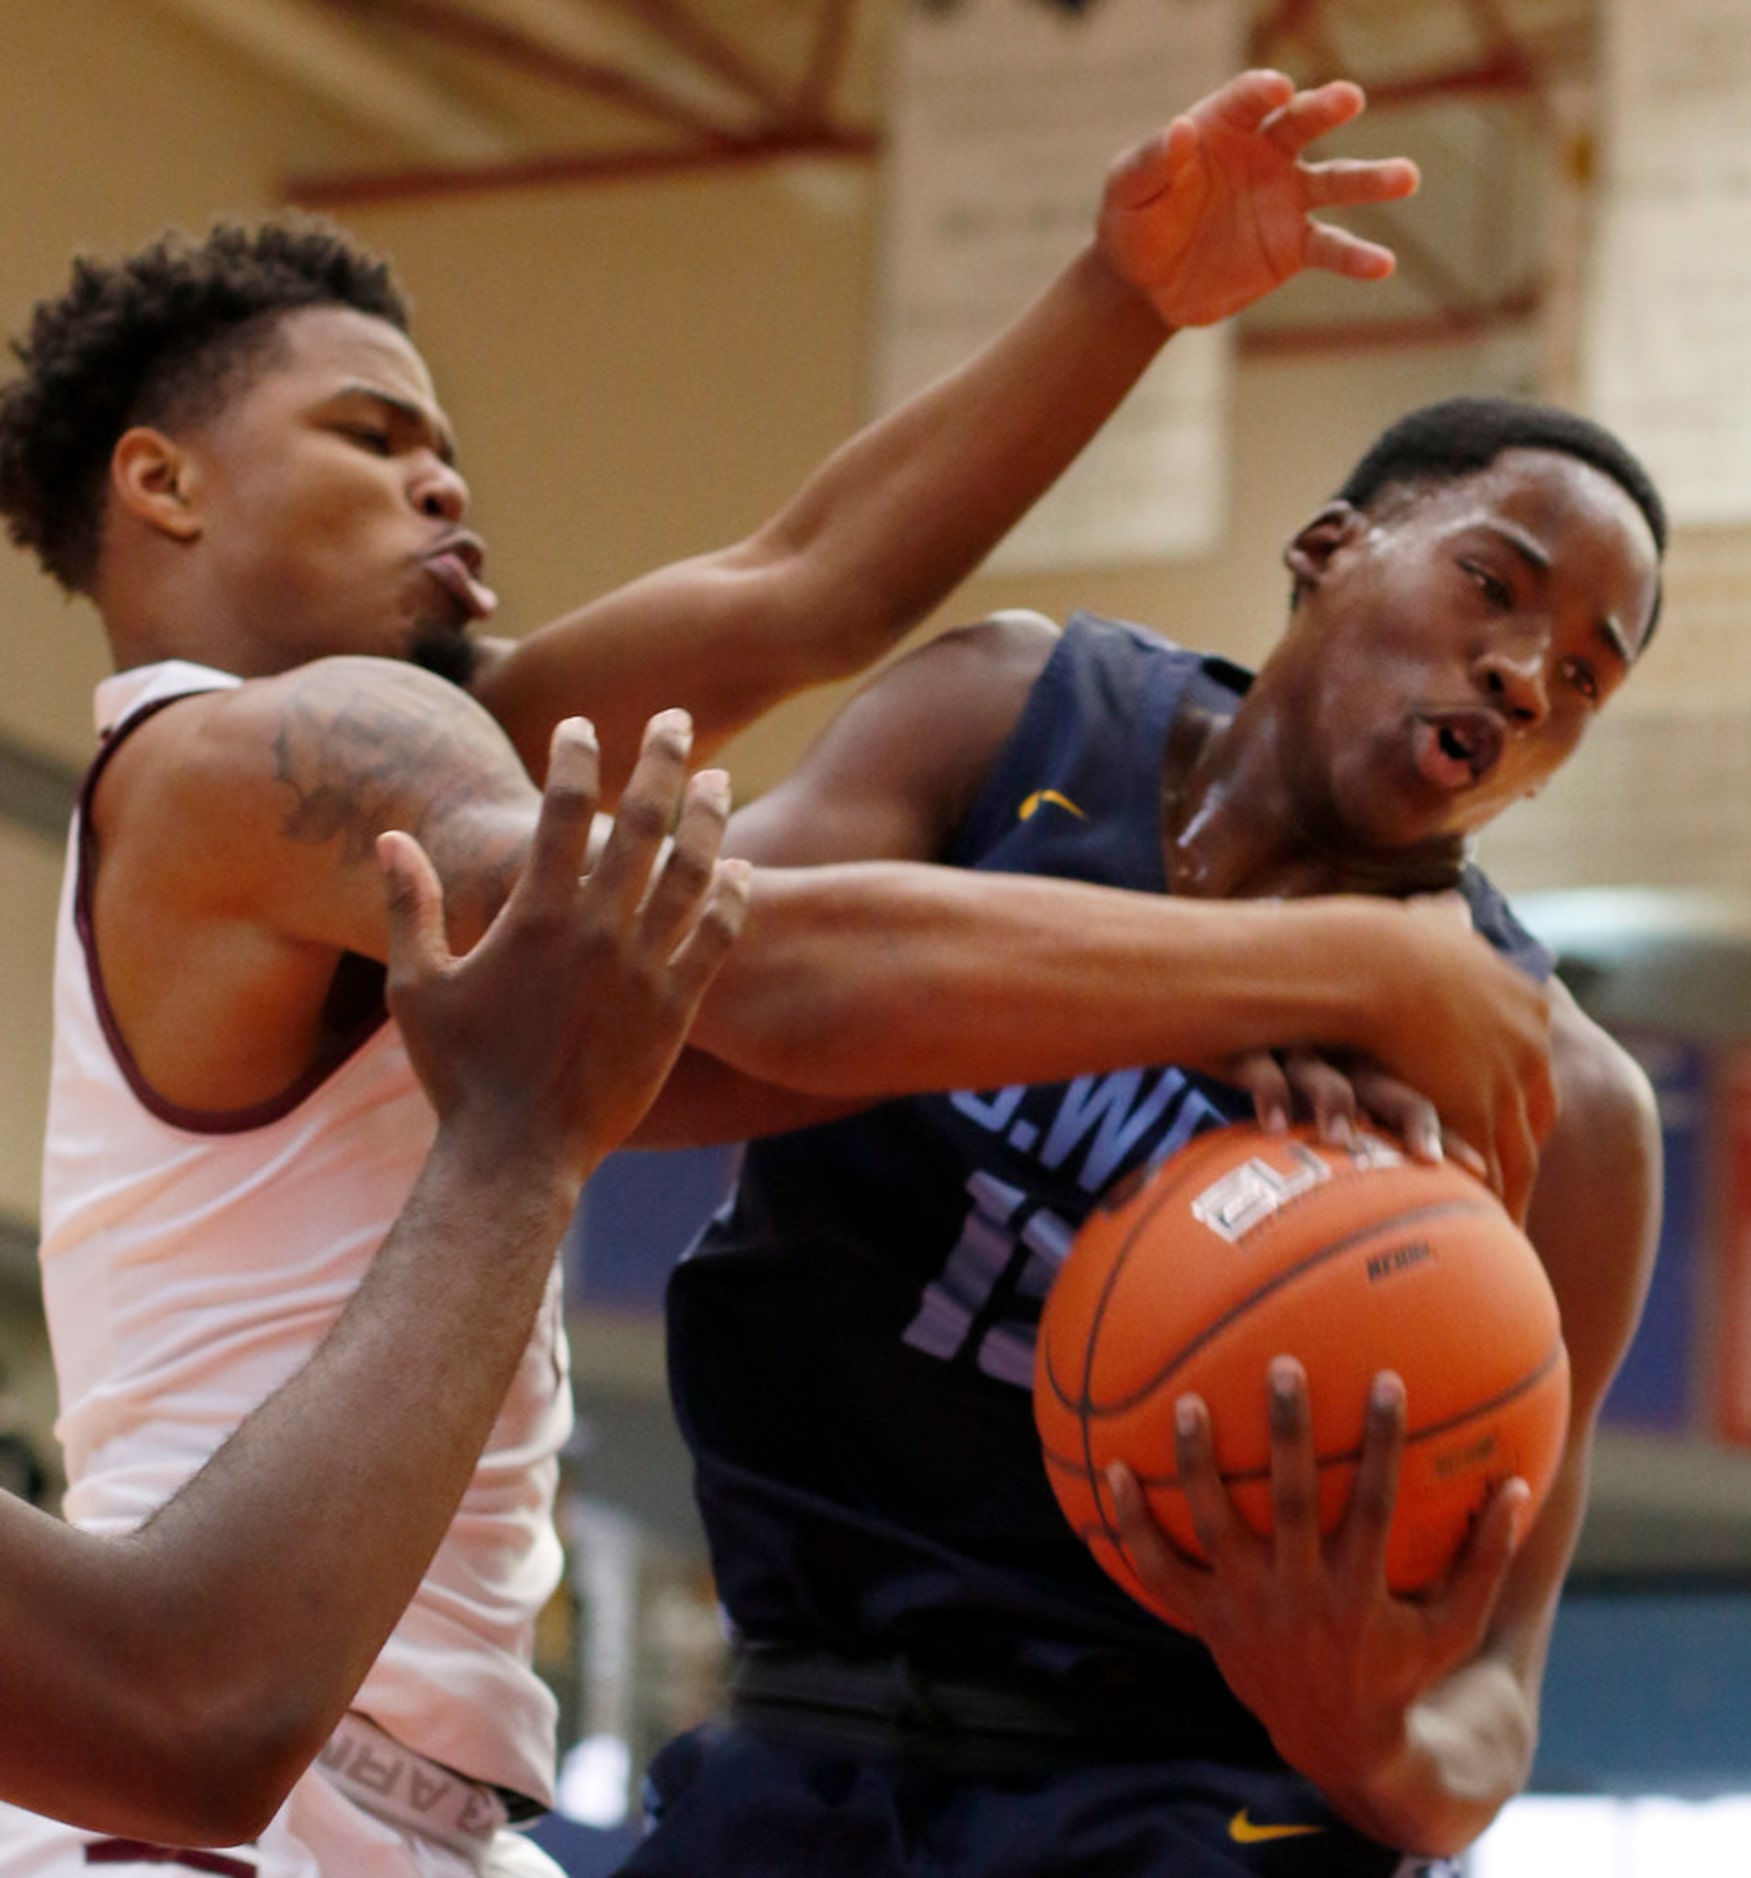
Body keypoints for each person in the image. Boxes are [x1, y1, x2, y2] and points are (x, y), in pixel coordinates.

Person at [0, 67, 1549, 1877]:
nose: (448, 477)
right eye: (373, 434)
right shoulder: (240, 760)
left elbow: (806, 583)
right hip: (223, 1787)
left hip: (400, 1789)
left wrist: (1125, 293)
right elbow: (744, 977)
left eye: (447, 447)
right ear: (160, 482)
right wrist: (1327, 961)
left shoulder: (412, 756)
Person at [617, 395, 1669, 1875]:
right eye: (1489, 586)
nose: (1516, 673)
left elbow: (1488, 1706)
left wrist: (1367, 1732)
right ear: (1325, 548)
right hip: (809, 1749)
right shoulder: (1011, 713)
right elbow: (655, 1012)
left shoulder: (1569, 1110)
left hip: (1205, 1805)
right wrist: (1196, 984)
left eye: (1576, 679)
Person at [0, 713, 749, 1846]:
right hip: (254, 1782)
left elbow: (800, 589)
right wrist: (515, 1142)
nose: (452, 519)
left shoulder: (403, 732)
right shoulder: (219, 767)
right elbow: (187, 1709)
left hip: (427, 1807)